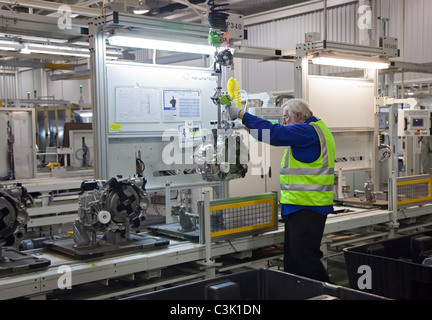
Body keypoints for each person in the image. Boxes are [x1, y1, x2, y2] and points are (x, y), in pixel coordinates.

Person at [228, 99, 335, 283]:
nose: (283, 122)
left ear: (299, 116)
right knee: (293, 261)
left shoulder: (307, 131)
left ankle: (330, 295)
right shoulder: (314, 129)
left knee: (306, 262)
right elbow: (276, 133)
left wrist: (242, 115)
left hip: (307, 208)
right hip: (301, 208)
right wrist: (246, 127)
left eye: (286, 117)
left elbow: (275, 133)